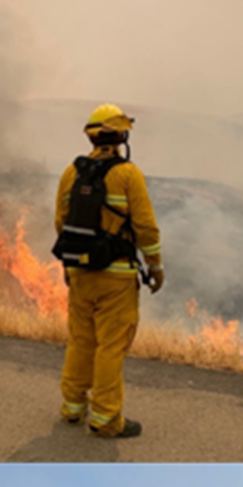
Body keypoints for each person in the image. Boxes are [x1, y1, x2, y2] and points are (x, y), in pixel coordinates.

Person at [54, 104, 164, 438]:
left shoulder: (72, 172)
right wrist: (155, 265)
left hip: (80, 271)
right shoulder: (128, 174)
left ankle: (73, 407)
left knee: (81, 341)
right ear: (121, 136)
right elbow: (145, 225)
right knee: (111, 347)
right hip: (116, 277)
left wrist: (69, 264)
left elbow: (61, 221)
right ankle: (105, 418)